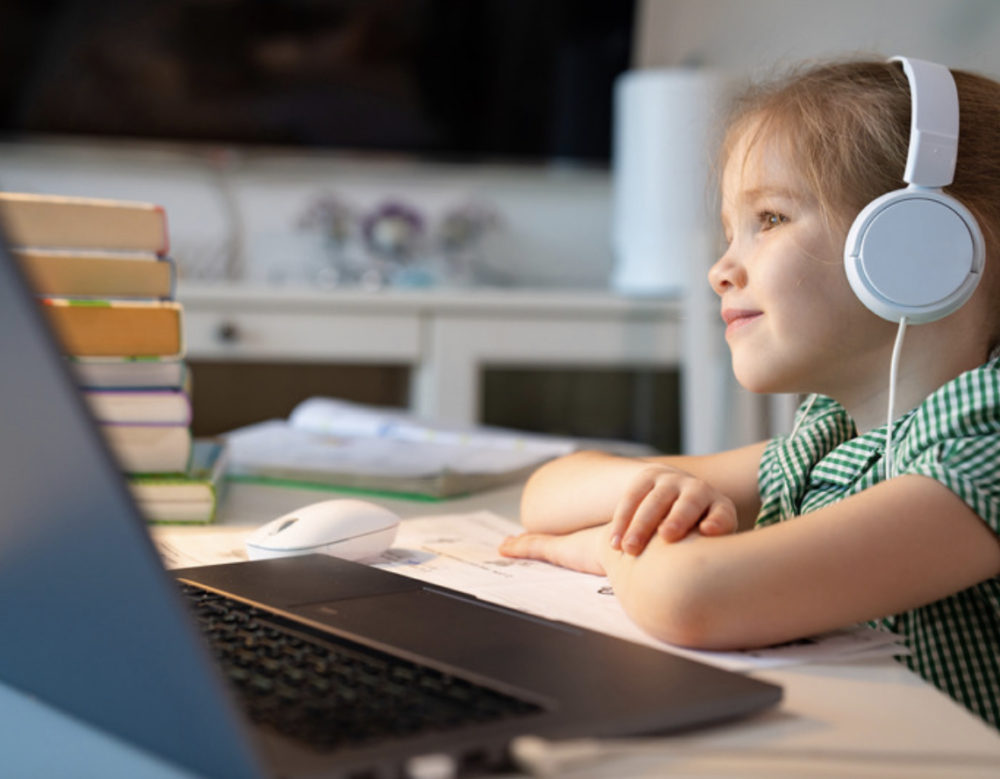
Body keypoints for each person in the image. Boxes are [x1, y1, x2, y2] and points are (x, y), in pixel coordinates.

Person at [498, 57, 1000, 730]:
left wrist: (612, 546)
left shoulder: (984, 447)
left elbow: (696, 594)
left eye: (769, 217)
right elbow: (550, 493)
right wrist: (661, 499)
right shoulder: (837, 435)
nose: (720, 269)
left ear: (920, 240)